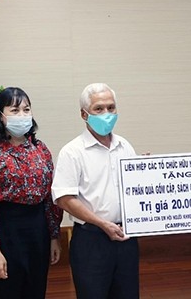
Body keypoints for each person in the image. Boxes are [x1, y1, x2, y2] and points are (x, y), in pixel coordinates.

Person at [0, 87, 62, 299]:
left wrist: (54, 236)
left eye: (26, 109)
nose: (22, 115)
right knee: (8, 290)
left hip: (38, 229)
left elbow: (49, 198)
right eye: (14, 110)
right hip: (7, 231)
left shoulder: (41, 150)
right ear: (1, 116)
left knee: (36, 289)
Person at [51, 83, 139, 299]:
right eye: (99, 109)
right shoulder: (72, 152)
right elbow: (64, 198)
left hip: (126, 237)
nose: (106, 114)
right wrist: (102, 224)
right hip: (92, 240)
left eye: (111, 108)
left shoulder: (125, 146)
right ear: (84, 114)